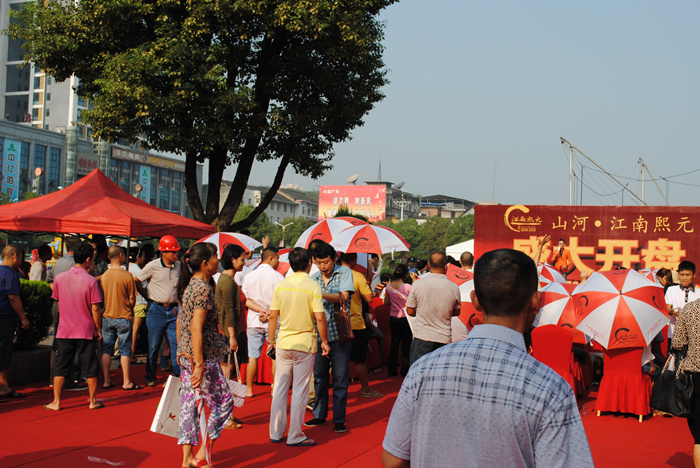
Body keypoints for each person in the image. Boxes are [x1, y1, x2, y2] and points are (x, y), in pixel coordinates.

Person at [382, 249, 594, 468]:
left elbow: (392, 459)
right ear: (536, 301)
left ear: (475, 300)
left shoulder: (422, 370)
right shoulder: (550, 388)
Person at [176, 243, 233, 468]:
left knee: (189, 404)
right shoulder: (202, 288)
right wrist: (199, 364)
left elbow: (183, 323)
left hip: (187, 354)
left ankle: (188, 458)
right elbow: (196, 328)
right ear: (205, 263)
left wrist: (184, 353)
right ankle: (202, 454)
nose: (218, 260)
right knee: (224, 402)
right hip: (201, 356)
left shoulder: (190, 284)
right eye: (215, 257)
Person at [268, 247, 331, 446]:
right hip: (304, 344)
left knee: (280, 388)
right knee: (300, 390)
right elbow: (320, 317)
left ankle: (276, 432)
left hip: (283, 342)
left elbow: (273, 315)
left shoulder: (281, 285)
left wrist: (271, 340)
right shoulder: (313, 286)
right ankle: (295, 434)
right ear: (309, 263)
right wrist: (325, 341)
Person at [44, 242, 104, 411]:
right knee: (89, 367)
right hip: (85, 329)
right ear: (88, 260)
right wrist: (98, 329)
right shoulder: (91, 280)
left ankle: (56, 401)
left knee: (61, 366)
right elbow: (95, 308)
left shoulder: (60, 278)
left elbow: (58, 301)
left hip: (65, 329)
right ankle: (93, 401)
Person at [305, 242, 355, 433]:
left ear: (333, 259)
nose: (322, 266)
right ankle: (319, 415)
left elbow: (343, 297)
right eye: (318, 263)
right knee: (319, 378)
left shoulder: (344, 272)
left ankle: (339, 419)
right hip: (318, 335)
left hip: (339, 333)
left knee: (340, 379)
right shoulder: (314, 278)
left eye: (325, 262)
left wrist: (319, 294)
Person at [135, 235, 182, 387]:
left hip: (173, 309)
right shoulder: (152, 266)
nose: (175, 254)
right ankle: (150, 376)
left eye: (176, 252)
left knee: (176, 344)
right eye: (172, 252)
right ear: (163, 252)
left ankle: (177, 376)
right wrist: (147, 297)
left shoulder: (179, 266)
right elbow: (136, 281)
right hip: (156, 310)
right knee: (154, 345)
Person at [241, 246, 284, 397]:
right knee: (274, 356)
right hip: (274, 321)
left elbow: (245, 300)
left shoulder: (250, 276)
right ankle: (274, 389)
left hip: (254, 321)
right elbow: (281, 301)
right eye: (277, 258)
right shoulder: (278, 277)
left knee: (252, 357)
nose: (278, 262)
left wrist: (261, 310)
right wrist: (269, 313)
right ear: (271, 258)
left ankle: (249, 389)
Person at [406, 251, 460, 367]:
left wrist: (422, 311)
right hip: (444, 338)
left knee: (418, 373)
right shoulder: (454, 287)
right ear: (446, 267)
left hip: (422, 336)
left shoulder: (417, 284)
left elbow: (410, 311)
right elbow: (457, 311)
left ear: (429, 264)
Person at [339, 252, 381, 398]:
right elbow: (369, 298)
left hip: (337, 323)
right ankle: (365, 389)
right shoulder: (357, 276)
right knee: (359, 360)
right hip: (356, 323)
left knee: (337, 360)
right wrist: (367, 287)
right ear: (354, 260)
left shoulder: (333, 275)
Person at [215, 243, 247, 430]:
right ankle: (224, 415)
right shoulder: (227, 281)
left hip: (233, 331)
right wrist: (233, 336)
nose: (244, 262)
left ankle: (227, 413)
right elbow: (227, 310)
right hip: (229, 332)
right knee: (226, 376)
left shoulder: (229, 280)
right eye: (242, 259)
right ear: (233, 260)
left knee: (228, 375)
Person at [100, 246, 140, 390]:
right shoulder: (127, 275)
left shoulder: (104, 276)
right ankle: (126, 381)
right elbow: (132, 300)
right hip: (124, 316)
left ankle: (106, 380)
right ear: (121, 256)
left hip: (107, 316)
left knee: (106, 350)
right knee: (125, 350)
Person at [0, 245, 30, 401]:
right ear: (15, 256)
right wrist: (23, 318)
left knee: (4, 353)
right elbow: (13, 297)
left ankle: (4, 386)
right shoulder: (10, 273)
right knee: (3, 353)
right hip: (5, 318)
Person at [665, 261, 700, 354]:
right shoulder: (672, 290)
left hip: (693, 337)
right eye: (681, 275)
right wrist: (674, 311)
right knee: (673, 362)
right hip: (674, 334)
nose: (684, 278)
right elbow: (666, 309)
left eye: (687, 275)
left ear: (694, 275)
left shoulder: (698, 293)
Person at [128, 244, 155, 363]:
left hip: (129, 302)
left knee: (131, 328)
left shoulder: (126, 268)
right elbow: (143, 285)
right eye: (143, 256)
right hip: (139, 302)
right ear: (138, 257)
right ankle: (132, 353)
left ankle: (129, 353)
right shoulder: (139, 271)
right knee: (136, 329)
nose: (144, 259)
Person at [384, 264, 412, 377]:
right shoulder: (407, 287)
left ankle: (392, 369)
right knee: (406, 344)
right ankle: (404, 369)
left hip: (393, 317)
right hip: (405, 318)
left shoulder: (389, 286)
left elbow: (386, 302)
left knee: (395, 343)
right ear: (405, 275)